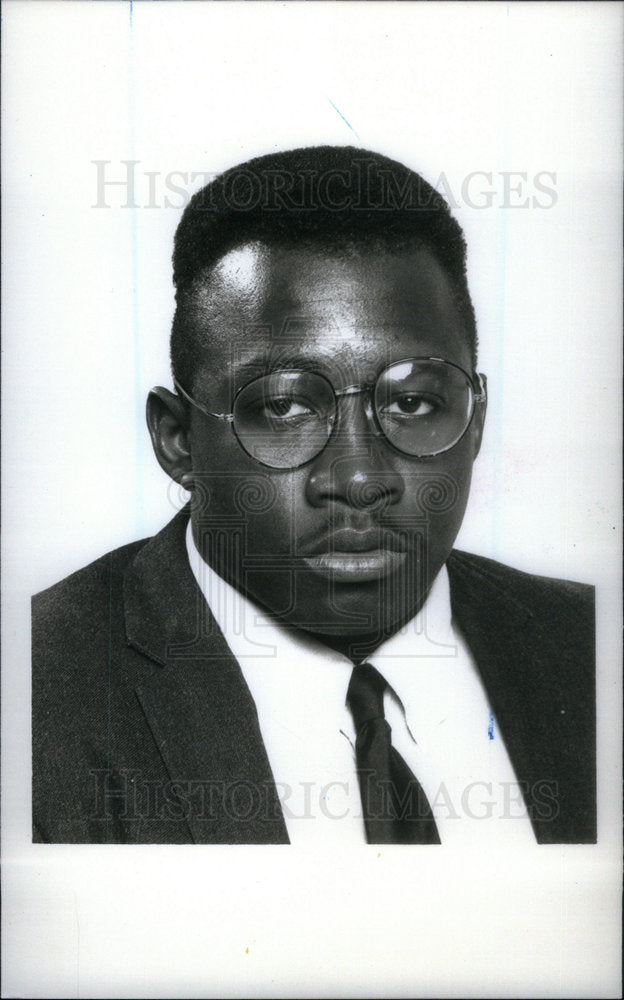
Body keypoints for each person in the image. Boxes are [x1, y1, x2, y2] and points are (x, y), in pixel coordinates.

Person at [32, 146, 596, 845]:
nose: (359, 480)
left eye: (415, 402)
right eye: (285, 408)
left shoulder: (592, 650)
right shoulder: (32, 698)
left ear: (475, 420)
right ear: (177, 440)